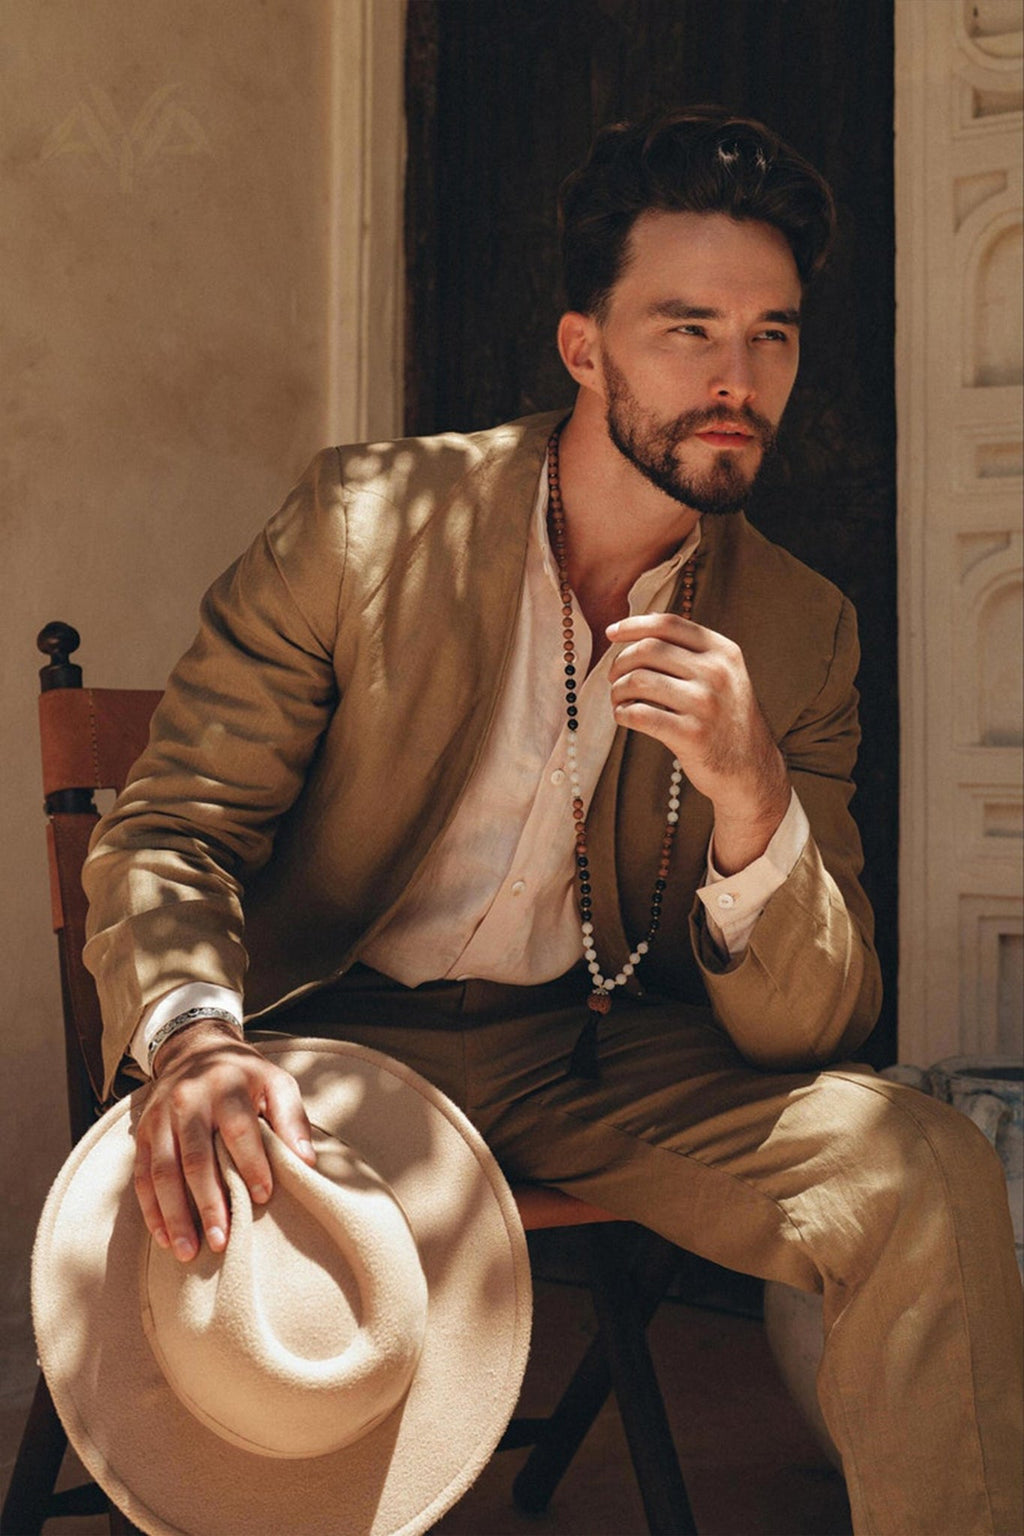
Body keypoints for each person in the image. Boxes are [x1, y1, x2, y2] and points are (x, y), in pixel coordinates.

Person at [83, 108, 1021, 1533]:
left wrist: (751, 795)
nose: (736, 379)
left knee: (922, 1162)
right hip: (320, 1049)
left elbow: (817, 1029)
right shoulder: (368, 526)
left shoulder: (803, 630)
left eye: (771, 335)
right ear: (585, 346)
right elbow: (174, 828)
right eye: (687, 328)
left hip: (581, 1058)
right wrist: (196, 1038)